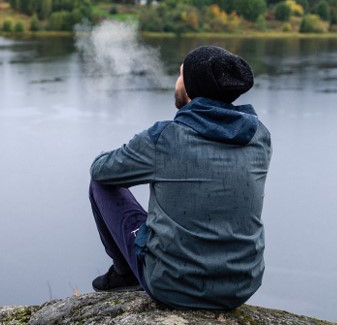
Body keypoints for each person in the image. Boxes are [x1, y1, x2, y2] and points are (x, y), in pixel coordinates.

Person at [89, 45, 272, 310]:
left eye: (180, 75)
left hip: (172, 287)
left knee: (100, 185)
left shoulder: (164, 138)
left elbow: (101, 170)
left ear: (191, 88)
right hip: (241, 287)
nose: (176, 81)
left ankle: (125, 272)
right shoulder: (259, 136)